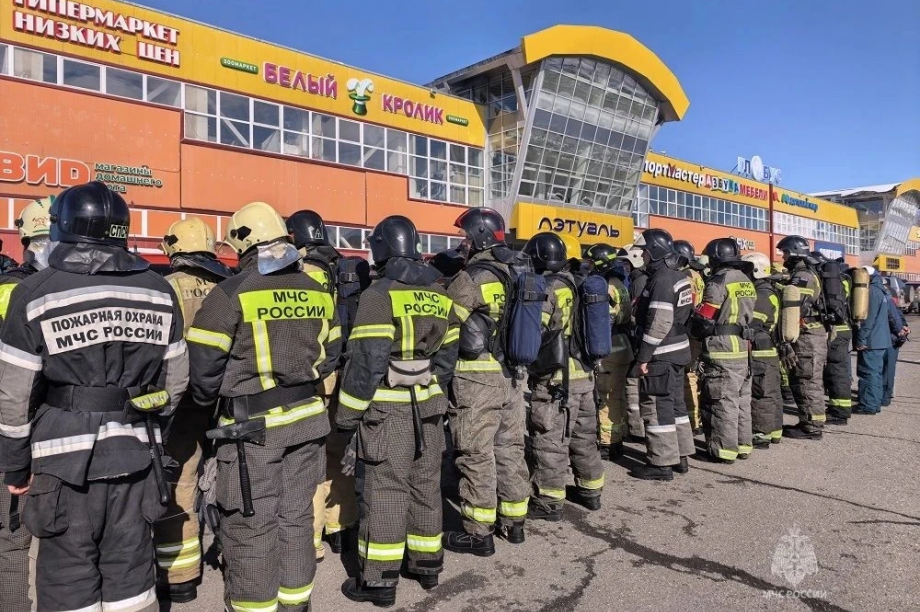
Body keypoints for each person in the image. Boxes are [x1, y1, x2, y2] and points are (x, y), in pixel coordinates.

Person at [0, 181, 188, 612]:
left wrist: (14, 464)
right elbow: (176, 380)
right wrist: (150, 430)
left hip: (61, 460)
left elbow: (12, 394)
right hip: (136, 454)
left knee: (68, 574)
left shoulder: (35, 292)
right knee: (131, 568)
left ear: (62, 228)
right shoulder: (159, 290)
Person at [187, 201, 341, 612]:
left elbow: (202, 373)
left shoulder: (231, 293)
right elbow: (332, 352)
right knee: (295, 519)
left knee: (250, 525)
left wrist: (207, 409)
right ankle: (296, 603)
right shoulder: (316, 289)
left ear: (243, 243)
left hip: (251, 432)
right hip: (308, 422)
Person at [336, 216, 460, 607]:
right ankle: (427, 565)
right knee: (425, 483)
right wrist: (430, 389)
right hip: (429, 406)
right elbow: (447, 358)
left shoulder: (378, 295)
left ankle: (379, 580)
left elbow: (366, 362)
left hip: (388, 410)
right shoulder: (441, 295)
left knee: (386, 488)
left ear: (383, 248)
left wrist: (346, 415)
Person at [154, 217, 232, 603]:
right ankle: (237, 556)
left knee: (180, 483)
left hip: (181, 404)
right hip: (226, 401)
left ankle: (181, 576)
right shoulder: (228, 286)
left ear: (174, 248)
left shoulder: (165, 289)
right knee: (231, 479)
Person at [442, 208, 529, 556]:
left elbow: (445, 323)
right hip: (513, 375)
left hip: (477, 379)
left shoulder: (472, 277)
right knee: (510, 448)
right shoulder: (519, 271)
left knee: (476, 453)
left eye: (465, 236)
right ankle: (515, 522)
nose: (462, 243)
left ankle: (479, 533)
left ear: (478, 236)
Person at [287, 209, 359, 563]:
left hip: (319, 374)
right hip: (348, 373)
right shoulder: (344, 265)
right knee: (338, 454)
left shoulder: (305, 270)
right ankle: (342, 529)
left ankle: (311, 538)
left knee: (312, 460)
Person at [524, 232, 605, 518]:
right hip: (585, 374)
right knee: (585, 437)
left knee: (550, 442)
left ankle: (548, 502)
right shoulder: (584, 285)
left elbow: (538, 331)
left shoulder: (550, 287)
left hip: (558, 380)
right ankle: (591, 491)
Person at [0, 196, 53, 611]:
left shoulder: (11, 291)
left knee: (12, 540)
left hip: (13, 427)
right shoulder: (71, 289)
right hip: (58, 426)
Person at [628, 229, 695, 481]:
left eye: (644, 251)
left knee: (656, 406)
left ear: (654, 251)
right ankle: (681, 456)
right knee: (676, 405)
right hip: (678, 351)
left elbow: (659, 322)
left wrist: (644, 357)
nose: (642, 256)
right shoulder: (679, 276)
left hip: (661, 353)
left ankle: (661, 463)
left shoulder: (662, 279)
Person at [691, 239, 756, 463]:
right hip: (743, 348)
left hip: (722, 348)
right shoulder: (746, 280)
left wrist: (691, 326)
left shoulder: (718, 282)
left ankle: (723, 451)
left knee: (722, 402)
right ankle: (743, 446)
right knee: (741, 401)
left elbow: (705, 316)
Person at [776, 236, 827, 439]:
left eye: (786, 253)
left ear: (795, 252)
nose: (784, 257)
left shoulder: (803, 275)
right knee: (802, 379)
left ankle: (812, 426)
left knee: (807, 380)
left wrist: (778, 288)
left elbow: (799, 303)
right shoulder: (801, 273)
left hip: (808, 336)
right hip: (808, 335)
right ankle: (809, 421)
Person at [586, 243, 633, 461]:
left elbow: (603, 320)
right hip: (624, 344)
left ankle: (608, 443)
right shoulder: (620, 283)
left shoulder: (605, 287)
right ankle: (618, 437)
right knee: (618, 395)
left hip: (611, 345)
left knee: (606, 396)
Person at [741, 252, 784, 447]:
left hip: (761, 351)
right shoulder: (767, 290)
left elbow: (753, 323)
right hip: (768, 351)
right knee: (771, 393)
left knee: (762, 394)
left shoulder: (762, 294)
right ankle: (773, 431)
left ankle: (762, 434)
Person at [812, 253, 854, 426]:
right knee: (838, 369)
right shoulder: (843, 279)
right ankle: (838, 407)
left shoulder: (830, 281)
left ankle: (840, 412)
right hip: (844, 328)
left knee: (836, 371)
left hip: (836, 331)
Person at [673, 240, 705, 433]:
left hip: (688, 332)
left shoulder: (686, 276)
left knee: (688, 375)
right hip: (695, 330)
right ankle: (696, 417)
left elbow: (687, 306)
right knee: (693, 375)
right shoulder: (696, 274)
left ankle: (693, 420)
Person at [853, 267, 891, 416]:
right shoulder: (880, 290)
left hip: (871, 341)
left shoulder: (871, 292)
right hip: (879, 340)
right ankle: (874, 403)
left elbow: (868, 320)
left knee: (868, 373)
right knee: (875, 373)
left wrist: (861, 339)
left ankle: (868, 405)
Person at [624, 243, 648, 441]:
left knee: (633, 384)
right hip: (639, 338)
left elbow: (635, 312)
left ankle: (636, 428)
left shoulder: (639, 281)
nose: (624, 267)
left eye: (626, 263)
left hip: (637, 339)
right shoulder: (638, 279)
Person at [882, 279, 909, 408]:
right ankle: (885, 393)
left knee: (887, 368)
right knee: (888, 368)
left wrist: (901, 329)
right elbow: (899, 315)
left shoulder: (886, 295)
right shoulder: (889, 293)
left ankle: (886, 395)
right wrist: (904, 327)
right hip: (891, 337)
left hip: (890, 338)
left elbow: (895, 316)